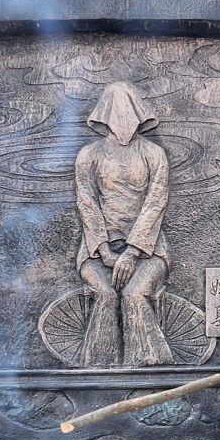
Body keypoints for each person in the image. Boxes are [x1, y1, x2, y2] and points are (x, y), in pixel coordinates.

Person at [74, 82, 172, 366]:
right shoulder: (88, 155)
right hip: (96, 251)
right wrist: (104, 250)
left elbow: (156, 202)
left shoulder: (154, 154)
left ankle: (148, 364)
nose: (123, 121)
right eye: (116, 112)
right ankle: (99, 366)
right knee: (105, 294)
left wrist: (131, 252)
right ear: (103, 114)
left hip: (149, 250)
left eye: (128, 112)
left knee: (133, 295)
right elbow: (87, 202)